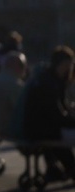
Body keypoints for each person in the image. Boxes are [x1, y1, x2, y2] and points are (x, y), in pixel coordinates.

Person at [20, 45, 75, 181]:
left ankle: (57, 168)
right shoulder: (50, 83)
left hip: (37, 127)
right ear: (64, 64)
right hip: (41, 130)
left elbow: (59, 110)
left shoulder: (48, 77)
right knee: (65, 138)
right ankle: (69, 169)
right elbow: (56, 116)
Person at [0, 50, 27, 139]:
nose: (24, 69)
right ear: (16, 65)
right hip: (10, 129)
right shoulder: (14, 83)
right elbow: (25, 109)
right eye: (22, 66)